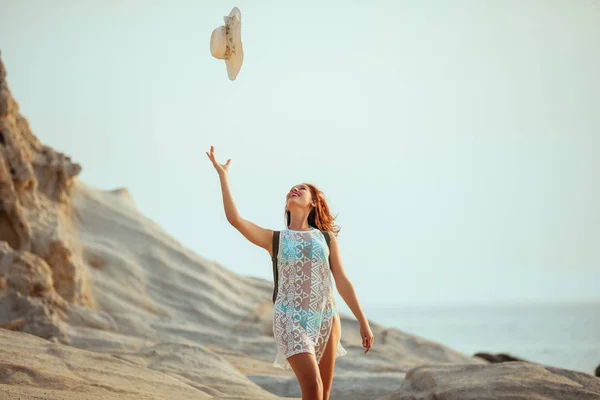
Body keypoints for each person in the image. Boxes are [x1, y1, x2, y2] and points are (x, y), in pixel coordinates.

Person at [207, 145, 374, 400]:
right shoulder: (275, 239)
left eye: (302, 188)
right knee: (313, 387)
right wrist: (223, 177)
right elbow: (235, 219)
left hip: (326, 318)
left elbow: (342, 281)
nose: (294, 190)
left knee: (323, 395)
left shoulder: (326, 238)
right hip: (289, 318)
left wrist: (363, 321)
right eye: (291, 189)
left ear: (314, 202)